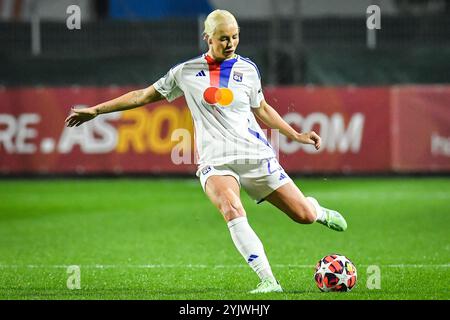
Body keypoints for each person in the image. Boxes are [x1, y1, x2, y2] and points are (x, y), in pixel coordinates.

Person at [65, 9, 347, 294]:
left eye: (235, 36)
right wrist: (97, 110)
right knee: (232, 209)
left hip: (255, 156)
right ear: (208, 38)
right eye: (224, 38)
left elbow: (261, 108)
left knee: (303, 216)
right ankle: (268, 281)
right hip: (215, 161)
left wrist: (296, 135)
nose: (231, 43)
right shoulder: (185, 72)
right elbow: (143, 95)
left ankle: (316, 209)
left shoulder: (248, 70)